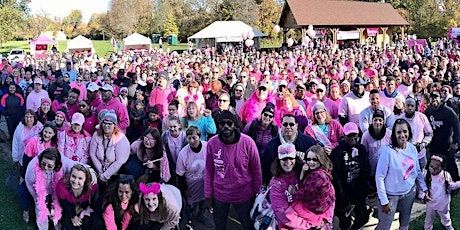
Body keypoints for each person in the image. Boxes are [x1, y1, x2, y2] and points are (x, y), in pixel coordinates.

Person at [205, 110, 262, 230]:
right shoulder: (211, 143)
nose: (225, 126)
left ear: (235, 125)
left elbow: (256, 170)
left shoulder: (248, 142)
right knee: (219, 225)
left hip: (244, 194)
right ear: (218, 125)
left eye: (229, 123)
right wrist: (207, 195)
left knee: (248, 224)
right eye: (222, 123)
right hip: (220, 194)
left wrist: (258, 194)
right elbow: (209, 171)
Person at [375, 119, 429, 230]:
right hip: (390, 196)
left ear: (409, 132)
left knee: (405, 224)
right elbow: (379, 177)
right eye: (399, 132)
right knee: (384, 227)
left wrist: (424, 188)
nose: (402, 135)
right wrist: (384, 201)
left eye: (405, 131)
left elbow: (417, 171)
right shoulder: (387, 152)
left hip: (409, 193)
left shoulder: (412, 148)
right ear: (394, 134)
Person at [330, 122, 371, 230]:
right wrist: (342, 196)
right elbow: (336, 176)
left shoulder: (361, 149)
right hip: (344, 192)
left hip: (358, 191)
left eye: (354, 135)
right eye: (349, 135)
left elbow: (366, 170)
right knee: (344, 222)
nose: (352, 138)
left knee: (363, 217)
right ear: (344, 136)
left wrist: (363, 190)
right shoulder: (337, 152)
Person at [25, 148, 79, 229]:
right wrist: (37, 197)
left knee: (57, 207)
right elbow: (29, 182)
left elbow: (77, 166)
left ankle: (56, 223)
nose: (46, 168)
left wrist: (91, 172)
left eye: (50, 166)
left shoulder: (64, 162)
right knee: (41, 210)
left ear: (56, 165)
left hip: (55, 190)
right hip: (40, 192)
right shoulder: (32, 167)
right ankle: (43, 227)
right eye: (43, 164)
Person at [284, 145, 336, 229]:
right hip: (324, 204)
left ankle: (317, 223)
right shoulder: (321, 170)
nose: (311, 162)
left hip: (316, 208)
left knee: (288, 213)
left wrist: (292, 192)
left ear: (321, 159)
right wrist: (303, 171)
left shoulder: (317, 176)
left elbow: (303, 193)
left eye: (314, 159)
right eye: (308, 159)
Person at [262, 114, 316, 184]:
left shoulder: (309, 142)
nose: (288, 127)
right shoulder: (272, 145)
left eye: (291, 124)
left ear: (296, 126)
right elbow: (266, 167)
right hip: (279, 185)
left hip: (304, 183)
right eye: (285, 124)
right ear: (281, 125)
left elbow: (317, 163)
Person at [175, 126, 212, 228]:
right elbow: (180, 175)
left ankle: (201, 216)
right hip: (191, 186)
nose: (191, 141)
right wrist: (185, 190)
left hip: (205, 185)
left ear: (199, 137)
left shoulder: (207, 147)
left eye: (194, 137)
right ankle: (191, 220)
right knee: (190, 207)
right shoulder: (183, 154)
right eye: (189, 138)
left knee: (203, 204)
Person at [424, 91, 460, 181]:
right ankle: (432, 184)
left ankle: (456, 184)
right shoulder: (428, 111)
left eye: (436, 97)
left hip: (446, 143)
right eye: (432, 98)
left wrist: (456, 141)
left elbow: (457, 125)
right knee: (432, 165)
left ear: (440, 98)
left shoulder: (448, 111)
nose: (434, 99)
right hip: (433, 144)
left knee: (450, 165)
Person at [90, 111, 130, 183]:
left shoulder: (121, 138)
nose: (106, 125)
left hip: (114, 173)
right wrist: (100, 170)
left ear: (114, 125)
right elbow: (92, 153)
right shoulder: (96, 134)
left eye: (109, 124)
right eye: (104, 123)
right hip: (98, 170)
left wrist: (105, 175)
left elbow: (119, 161)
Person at [424, 155, 460, 230]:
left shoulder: (445, 175)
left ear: (442, 168)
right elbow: (422, 189)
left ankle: (448, 226)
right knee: (429, 219)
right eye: (431, 167)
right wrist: (423, 195)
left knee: (446, 217)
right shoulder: (427, 176)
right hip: (431, 203)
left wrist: (458, 184)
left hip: (443, 204)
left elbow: (451, 186)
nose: (433, 170)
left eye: (436, 168)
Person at [56, 164, 98, 230]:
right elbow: (65, 204)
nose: (75, 181)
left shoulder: (92, 186)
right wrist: (73, 216)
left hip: (85, 205)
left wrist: (87, 210)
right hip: (68, 207)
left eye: (80, 178)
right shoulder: (61, 186)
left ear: (85, 180)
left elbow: (95, 201)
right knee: (68, 225)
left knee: (88, 222)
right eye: (73, 176)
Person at [398, 97, 433, 169]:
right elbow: (395, 136)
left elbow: (429, 133)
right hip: (405, 155)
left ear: (415, 107)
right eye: (408, 105)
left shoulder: (422, 117)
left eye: (412, 105)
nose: (410, 108)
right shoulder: (399, 119)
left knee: (421, 176)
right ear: (404, 106)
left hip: (420, 155)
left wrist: (423, 144)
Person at [161, 116, 187, 186]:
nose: (172, 129)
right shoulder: (165, 136)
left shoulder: (184, 136)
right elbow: (164, 149)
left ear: (179, 125)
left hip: (182, 163)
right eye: (170, 127)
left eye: (174, 126)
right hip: (171, 162)